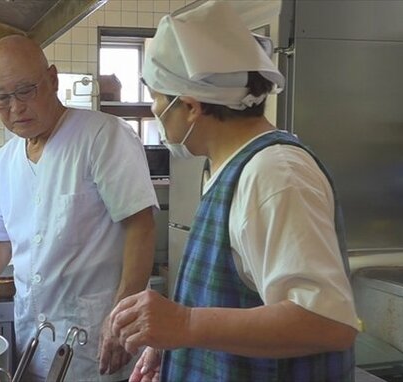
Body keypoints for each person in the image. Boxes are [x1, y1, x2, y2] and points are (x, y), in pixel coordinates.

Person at [108, 2, 359, 381]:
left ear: (190, 107)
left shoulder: (275, 175)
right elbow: (235, 303)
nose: (154, 108)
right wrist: (176, 345)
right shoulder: (228, 166)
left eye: (158, 97)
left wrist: (185, 324)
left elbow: (327, 323)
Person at [0, 35, 158, 381]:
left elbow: (141, 226)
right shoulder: (4, 162)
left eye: (26, 91)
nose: (15, 108)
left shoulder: (102, 137)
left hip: (98, 338)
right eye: (1, 98)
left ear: (53, 80)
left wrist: (123, 314)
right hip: (33, 342)